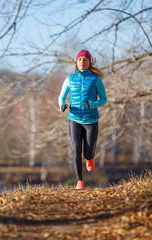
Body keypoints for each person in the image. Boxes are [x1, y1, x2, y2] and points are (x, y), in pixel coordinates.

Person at [58, 49, 107, 190]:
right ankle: (79, 181)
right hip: (74, 119)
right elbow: (61, 96)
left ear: (89, 62)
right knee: (75, 150)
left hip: (91, 120)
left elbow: (104, 99)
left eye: (85, 60)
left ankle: (89, 158)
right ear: (76, 62)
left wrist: (93, 104)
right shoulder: (70, 79)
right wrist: (61, 105)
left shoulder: (96, 80)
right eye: (80, 59)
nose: (82, 62)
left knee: (88, 151)